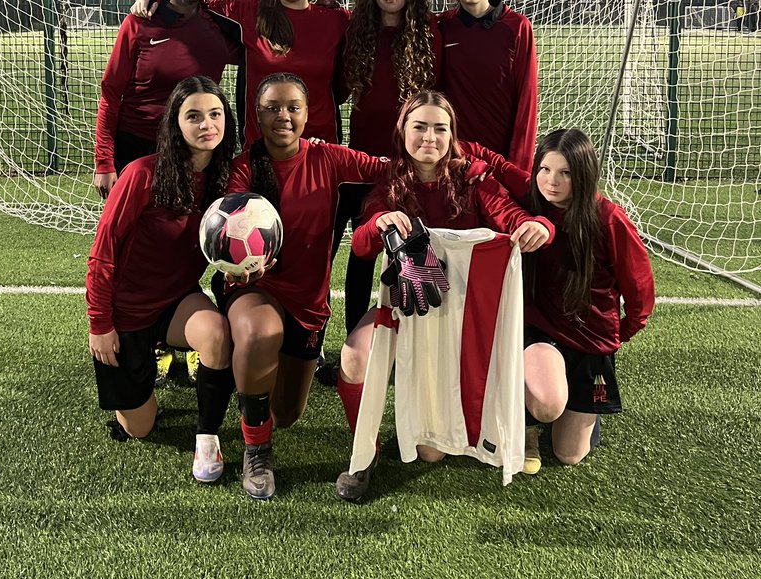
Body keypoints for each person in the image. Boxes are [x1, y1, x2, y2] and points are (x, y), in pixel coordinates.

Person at [334, 90, 554, 502]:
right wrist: (380, 221)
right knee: (353, 358)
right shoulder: (391, 181)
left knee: (430, 452)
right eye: (420, 126)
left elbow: (512, 216)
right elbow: (363, 246)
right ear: (403, 131)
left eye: (440, 128)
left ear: (453, 135)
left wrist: (539, 225)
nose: (429, 137)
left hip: (460, 311)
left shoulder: (472, 176)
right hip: (406, 302)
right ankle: (365, 452)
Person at [223, 72, 388, 500]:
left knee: (288, 412)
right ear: (256, 115)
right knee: (261, 331)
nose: (283, 116)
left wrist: (465, 163)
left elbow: (390, 168)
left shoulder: (328, 158)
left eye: (293, 107)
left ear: (308, 113)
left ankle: (251, 385)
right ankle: (255, 450)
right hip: (255, 288)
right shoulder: (244, 169)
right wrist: (242, 268)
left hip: (307, 302)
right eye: (272, 108)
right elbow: (226, 231)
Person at [86, 76, 239, 483]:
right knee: (140, 428)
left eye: (215, 114)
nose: (207, 123)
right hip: (127, 313)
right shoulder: (142, 175)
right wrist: (100, 325)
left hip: (177, 301)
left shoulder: (227, 180)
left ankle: (206, 439)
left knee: (216, 333)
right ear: (176, 124)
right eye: (194, 116)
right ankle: (142, 381)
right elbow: (103, 255)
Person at [132, 0, 351, 147]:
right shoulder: (249, 13)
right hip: (261, 148)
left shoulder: (336, 19)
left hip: (321, 145)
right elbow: (194, 0)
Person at [521, 127, 655, 473]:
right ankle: (528, 422)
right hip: (541, 334)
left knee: (569, 454)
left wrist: (620, 334)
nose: (552, 181)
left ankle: (581, 412)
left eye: (565, 173)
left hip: (591, 344)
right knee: (547, 405)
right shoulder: (528, 209)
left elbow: (639, 288)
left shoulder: (608, 218)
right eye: (545, 170)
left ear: (583, 174)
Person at [333, 0, 442, 336]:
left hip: (411, 164)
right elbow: (338, 89)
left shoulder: (429, 33)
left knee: (414, 248)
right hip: (364, 163)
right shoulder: (357, 32)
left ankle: (416, 342)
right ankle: (355, 338)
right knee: (364, 252)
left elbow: (436, 101)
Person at [94, 0, 242, 198]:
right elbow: (111, 93)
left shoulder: (217, 27)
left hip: (194, 148)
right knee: (132, 232)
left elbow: (265, 50)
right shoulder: (139, 23)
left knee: (189, 231)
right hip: (137, 145)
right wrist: (104, 161)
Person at [438, 0, 538, 171]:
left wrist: (518, 166)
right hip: (453, 158)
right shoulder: (442, 26)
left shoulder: (517, 27)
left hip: (500, 160)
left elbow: (527, 100)